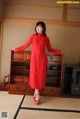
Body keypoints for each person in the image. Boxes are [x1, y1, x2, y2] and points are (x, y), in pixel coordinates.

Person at [13, 21, 63, 105]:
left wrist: (60, 52)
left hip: (42, 60)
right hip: (34, 60)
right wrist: (15, 49)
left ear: (43, 28)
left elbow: (50, 49)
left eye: (39, 27)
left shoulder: (46, 38)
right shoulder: (33, 36)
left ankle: (36, 93)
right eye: (37, 27)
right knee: (34, 75)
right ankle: (37, 93)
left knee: (40, 76)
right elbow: (26, 45)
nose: (38, 28)